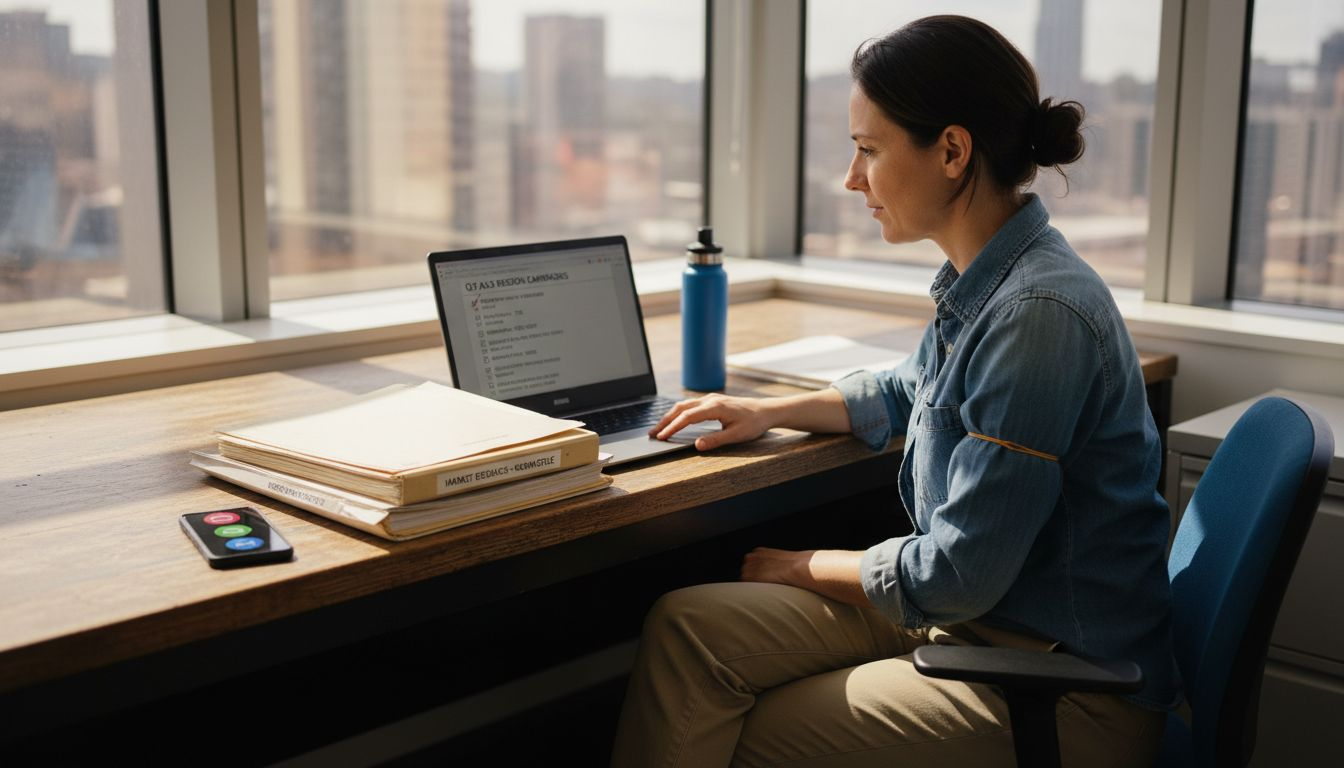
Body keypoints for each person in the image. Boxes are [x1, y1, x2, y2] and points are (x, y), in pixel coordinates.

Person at [608, 14, 1179, 768]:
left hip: (1061, 680)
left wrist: (801, 564)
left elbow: (957, 574)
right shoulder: (990, 280)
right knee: (687, 627)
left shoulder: (1038, 316)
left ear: (951, 151)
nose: (852, 179)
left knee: (743, 726)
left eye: (868, 151)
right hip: (984, 617)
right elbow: (909, 390)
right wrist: (765, 411)